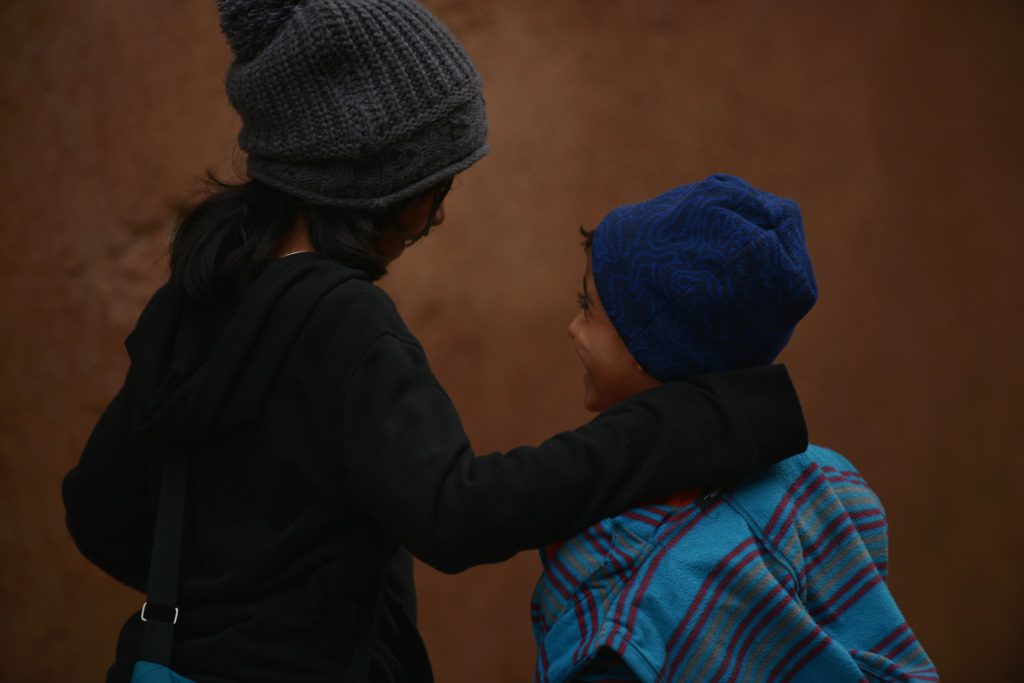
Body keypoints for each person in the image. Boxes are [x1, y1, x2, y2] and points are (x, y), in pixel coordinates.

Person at [61, 4, 808, 683]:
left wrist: (232, 595)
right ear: (376, 183)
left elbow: (99, 510)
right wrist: (708, 420)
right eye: (438, 186)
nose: (440, 214)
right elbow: (460, 513)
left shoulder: (193, 300)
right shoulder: (345, 321)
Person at [531, 174, 937, 683]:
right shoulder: (834, 484)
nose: (573, 327)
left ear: (650, 348)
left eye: (588, 308)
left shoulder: (633, 599)